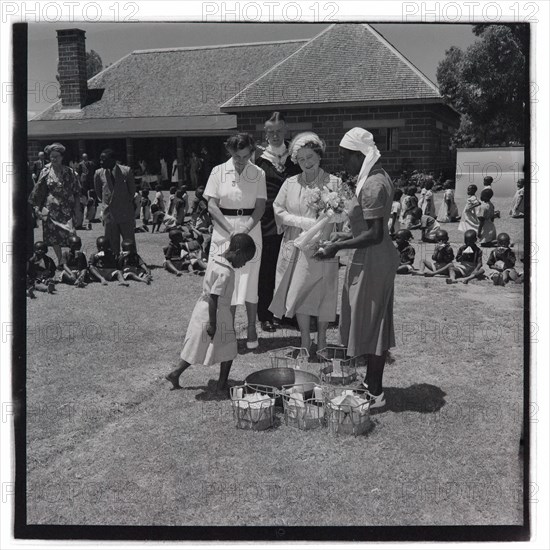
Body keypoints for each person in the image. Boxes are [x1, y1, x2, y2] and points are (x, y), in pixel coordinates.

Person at [315, 128, 400, 408]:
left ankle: (374, 392)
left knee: (373, 324)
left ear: (359, 154)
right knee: (370, 321)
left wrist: (338, 247)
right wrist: (345, 237)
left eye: (345, 156)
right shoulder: (374, 176)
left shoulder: (374, 185)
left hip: (373, 260)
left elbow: (376, 234)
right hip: (369, 257)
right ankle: (371, 384)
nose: (343, 162)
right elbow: (366, 227)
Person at [270, 132, 340, 355]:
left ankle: (322, 341)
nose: (306, 163)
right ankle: (304, 341)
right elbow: (278, 211)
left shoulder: (334, 182)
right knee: (299, 292)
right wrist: (302, 221)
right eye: (301, 159)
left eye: (310, 157)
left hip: (323, 245)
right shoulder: (290, 183)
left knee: (324, 293)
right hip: (296, 246)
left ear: (319, 156)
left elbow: (344, 214)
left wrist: (330, 216)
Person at [165, 233, 256, 392]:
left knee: (197, 345)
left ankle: (176, 372)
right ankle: (222, 384)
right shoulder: (225, 272)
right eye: (245, 260)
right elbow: (214, 297)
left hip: (203, 309)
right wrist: (213, 324)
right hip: (217, 312)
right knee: (229, 347)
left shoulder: (215, 259)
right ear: (238, 252)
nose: (243, 265)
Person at [204, 133, 266, 349]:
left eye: (245, 156)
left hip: (251, 229)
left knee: (250, 279)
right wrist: (232, 231)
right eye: (236, 156)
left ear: (251, 152)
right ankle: (226, 329)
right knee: (224, 279)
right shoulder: (217, 171)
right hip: (224, 230)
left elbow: (260, 207)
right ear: (229, 151)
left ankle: (251, 327)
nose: (240, 161)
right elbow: (212, 205)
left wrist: (245, 230)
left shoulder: (258, 173)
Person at [254, 111, 301, 332]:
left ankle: (287, 312)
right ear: (265, 133)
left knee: (291, 268)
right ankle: (264, 314)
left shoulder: (295, 157)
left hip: (292, 221)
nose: (274, 135)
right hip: (268, 223)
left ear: (286, 131)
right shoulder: (258, 160)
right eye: (270, 132)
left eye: (279, 131)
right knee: (267, 269)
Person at [28, 142, 80, 266]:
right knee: (54, 237)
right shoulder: (45, 171)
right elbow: (38, 191)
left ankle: (72, 260)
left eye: (56, 156)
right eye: (52, 156)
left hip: (67, 210)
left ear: (62, 157)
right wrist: (37, 208)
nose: (54, 159)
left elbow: (77, 192)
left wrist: (78, 210)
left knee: (71, 234)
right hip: (51, 211)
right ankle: (61, 260)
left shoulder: (69, 172)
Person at [94, 149, 136, 255]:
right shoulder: (98, 173)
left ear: (113, 160)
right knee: (112, 243)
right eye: (100, 160)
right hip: (109, 215)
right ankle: (115, 262)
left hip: (125, 213)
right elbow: (99, 193)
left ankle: (131, 261)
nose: (101, 162)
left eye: (104, 160)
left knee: (129, 240)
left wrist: (122, 202)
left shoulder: (126, 171)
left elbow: (132, 192)